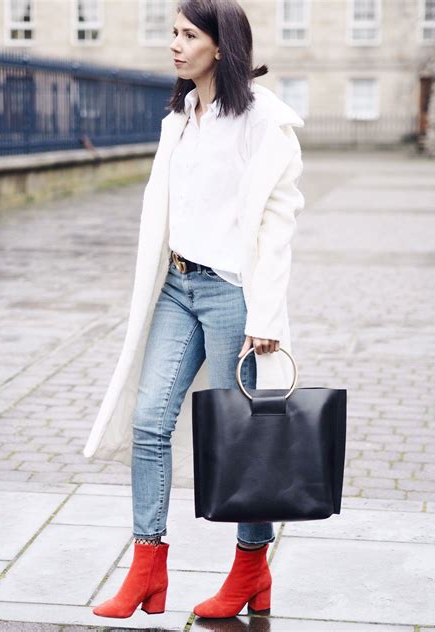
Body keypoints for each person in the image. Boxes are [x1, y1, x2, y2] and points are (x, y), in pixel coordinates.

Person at [87, 0, 305, 620]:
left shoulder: (261, 120)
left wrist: (264, 316)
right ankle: (148, 567)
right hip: (177, 288)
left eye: (188, 34)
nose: (176, 45)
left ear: (221, 44)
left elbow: (278, 220)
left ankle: (249, 569)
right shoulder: (180, 116)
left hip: (233, 293)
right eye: (173, 34)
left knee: (241, 439)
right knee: (150, 420)